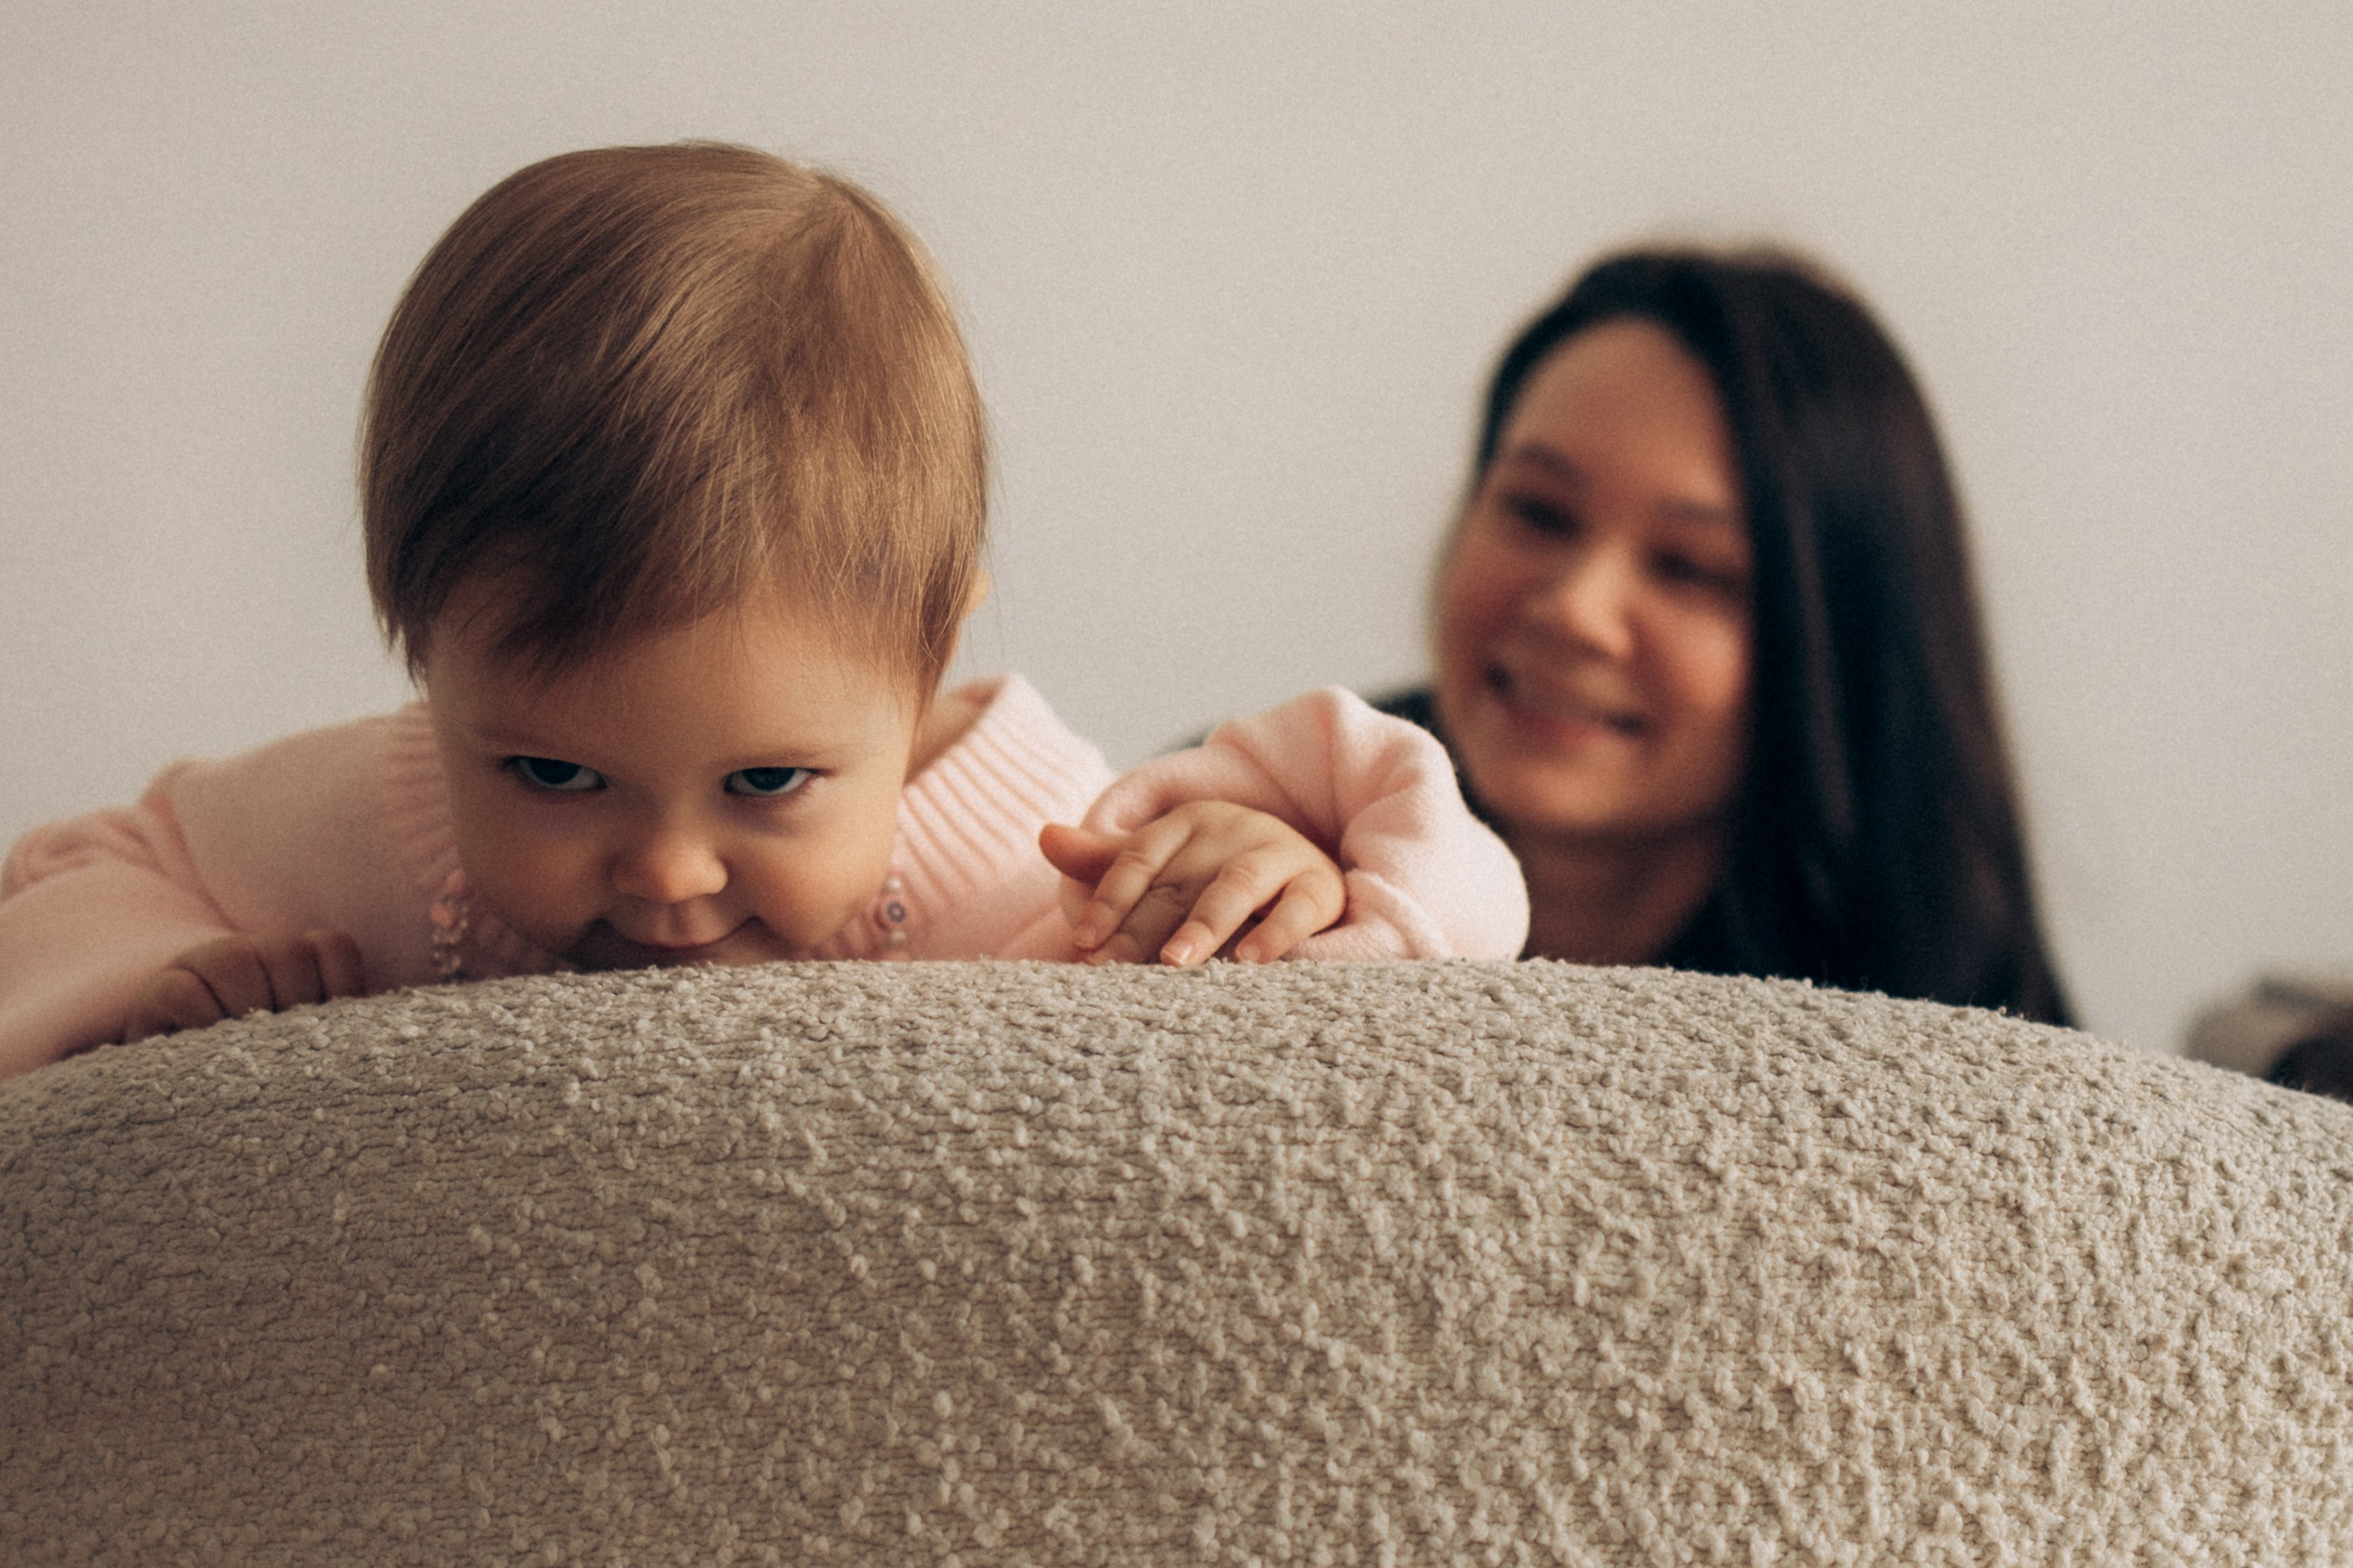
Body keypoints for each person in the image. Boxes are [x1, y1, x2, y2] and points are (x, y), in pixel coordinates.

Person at [0, 143, 1525, 1082]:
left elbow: (1434, 990)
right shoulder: (369, 823)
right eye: (550, 774)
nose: (666, 871)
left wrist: (1289, 877)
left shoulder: (1064, 865)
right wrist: (150, 983)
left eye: (769, 783)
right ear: (424, 650)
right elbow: (80, 869)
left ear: (926, 660)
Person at [1383, 245, 2070, 1022]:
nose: (1576, 609)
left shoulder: (1955, 1020)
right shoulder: (1291, 804)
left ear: (1839, 650)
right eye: (1537, 510)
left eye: (1692, 568)